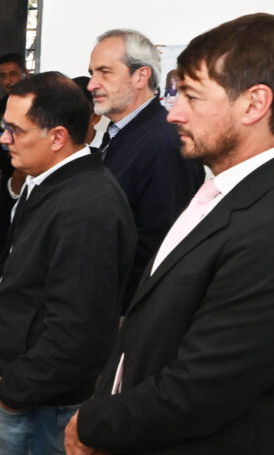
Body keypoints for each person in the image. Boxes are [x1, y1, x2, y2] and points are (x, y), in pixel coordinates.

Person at [65, 14, 274, 455]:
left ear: (254, 104)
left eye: (191, 97)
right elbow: (148, 329)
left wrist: (91, 425)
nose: (173, 113)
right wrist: (111, 440)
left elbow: (198, 391)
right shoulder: (222, 191)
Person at [0, 72, 136, 455]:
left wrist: (13, 392)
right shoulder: (48, 181)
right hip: (27, 383)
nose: (3, 139)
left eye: (15, 130)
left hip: (40, 401)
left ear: (58, 137)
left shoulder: (88, 207)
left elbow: (78, 332)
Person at [87, 29, 204, 311]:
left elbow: (160, 244)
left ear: (140, 77)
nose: (92, 84)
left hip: (130, 308)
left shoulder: (165, 141)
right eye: (92, 73)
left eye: (104, 72)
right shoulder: (121, 132)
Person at [0, 53, 28, 256]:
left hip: (35, 179)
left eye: (13, 74)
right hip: (8, 183)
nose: (8, 81)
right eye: (3, 76)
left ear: (25, 74)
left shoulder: (38, 106)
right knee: (7, 237)